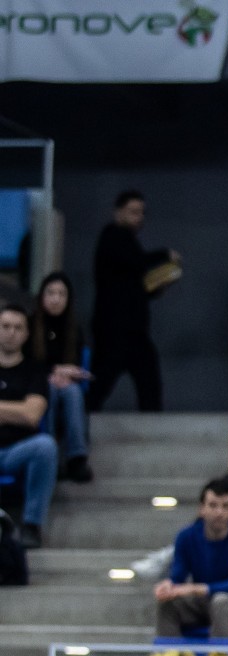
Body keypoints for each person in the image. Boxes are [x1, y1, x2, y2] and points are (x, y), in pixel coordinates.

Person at [88, 189, 171, 413]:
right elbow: (136, 263)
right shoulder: (112, 236)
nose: (139, 218)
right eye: (133, 212)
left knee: (148, 381)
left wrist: (155, 289)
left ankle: (151, 425)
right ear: (118, 212)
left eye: (141, 213)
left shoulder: (127, 241)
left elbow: (131, 284)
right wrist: (164, 255)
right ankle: (81, 419)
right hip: (113, 329)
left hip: (133, 329)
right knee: (102, 381)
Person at [154, 478, 228, 640]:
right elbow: (178, 576)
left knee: (221, 602)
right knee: (168, 603)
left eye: (225, 506)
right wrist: (168, 586)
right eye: (213, 505)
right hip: (203, 602)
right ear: (201, 509)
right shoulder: (186, 536)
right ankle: (170, 655)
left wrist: (193, 589)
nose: (219, 512)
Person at [0, 302, 58, 547]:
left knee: (45, 446)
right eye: (5, 326)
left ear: (26, 334)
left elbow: (33, 414)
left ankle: (32, 526)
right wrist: (17, 410)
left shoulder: (35, 371)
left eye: (17, 327)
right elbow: (24, 411)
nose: (11, 332)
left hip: (18, 449)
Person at [28, 272, 91, 482]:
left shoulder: (74, 328)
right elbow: (26, 363)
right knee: (50, 390)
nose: (56, 299)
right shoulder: (30, 325)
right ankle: (51, 456)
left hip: (68, 384)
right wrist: (54, 372)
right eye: (51, 293)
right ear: (42, 296)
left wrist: (67, 374)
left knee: (72, 392)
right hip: (38, 382)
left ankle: (76, 458)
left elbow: (77, 365)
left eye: (61, 294)